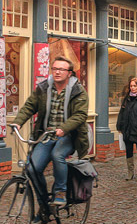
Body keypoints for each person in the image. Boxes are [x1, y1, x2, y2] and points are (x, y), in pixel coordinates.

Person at [13, 56, 89, 207]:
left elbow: (80, 115)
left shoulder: (78, 91)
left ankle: (60, 192)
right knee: (32, 169)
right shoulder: (43, 88)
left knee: (57, 155)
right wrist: (18, 122)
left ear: (69, 73)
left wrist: (64, 128)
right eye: (54, 69)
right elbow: (29, 106)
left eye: (61, 69)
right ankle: (44, 205)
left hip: (69, 135)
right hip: (46, 135)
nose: (57, 72)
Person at [116, 76, 137, 180]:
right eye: (131, 86)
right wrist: (119, 125)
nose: (132, 88)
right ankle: (130, 173)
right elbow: (121, 112)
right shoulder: (127, 99)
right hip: (127, 129)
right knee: (129, 151)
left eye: (135, 86)